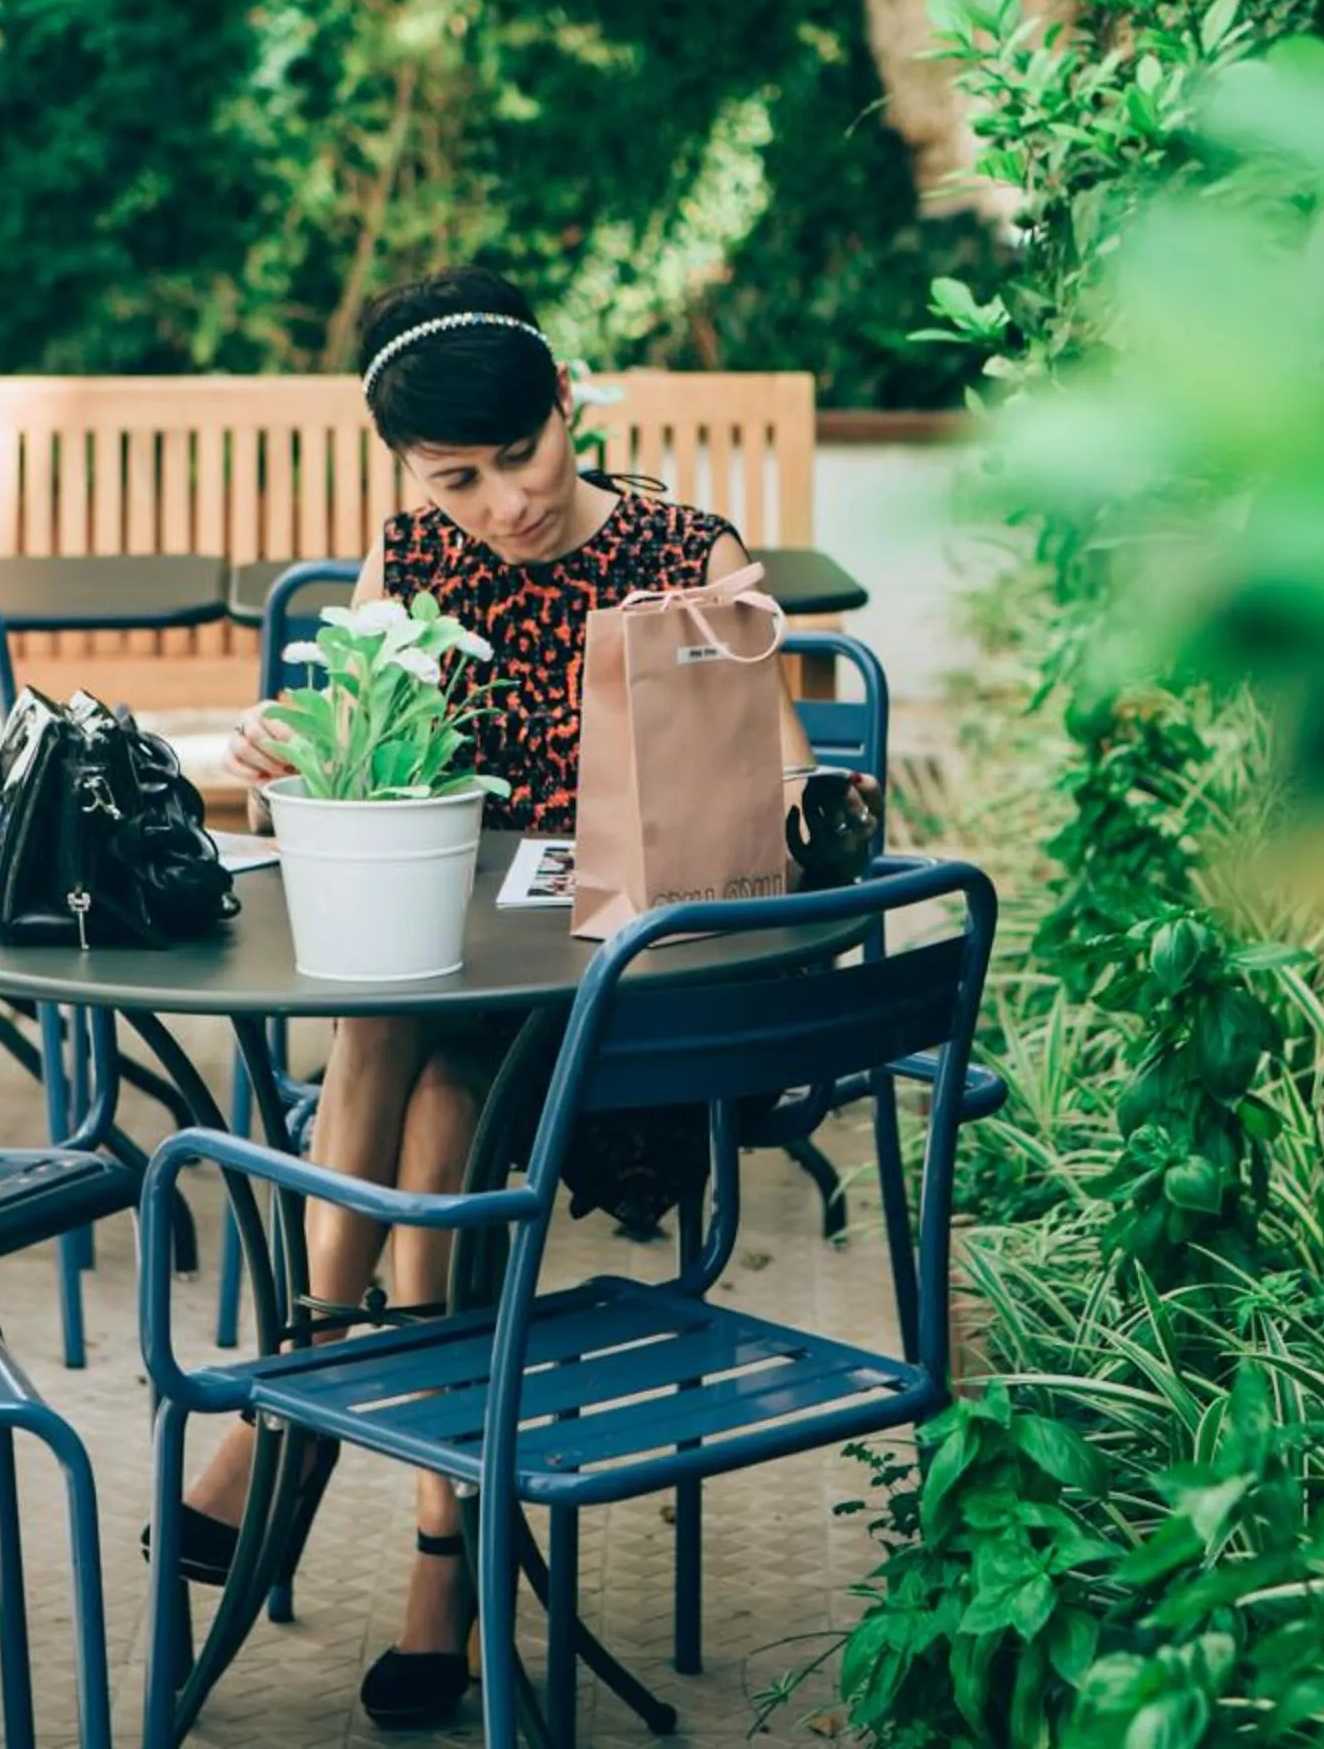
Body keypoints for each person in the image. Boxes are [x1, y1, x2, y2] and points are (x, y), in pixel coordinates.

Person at [175, 266, 795, 1731]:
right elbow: (371, 801)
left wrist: (774, 729)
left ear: (566, 405)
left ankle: (301, 1411)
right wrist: (298, 754)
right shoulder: (409, 561)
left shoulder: (684, 551)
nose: (503, 501)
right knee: (396, 1024)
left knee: (423, 1066)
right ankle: (431, 1557)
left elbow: (774, 790)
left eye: (521, 453)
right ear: (408, 476)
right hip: (455, 981)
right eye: (457, 478)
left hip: (626, 1012)